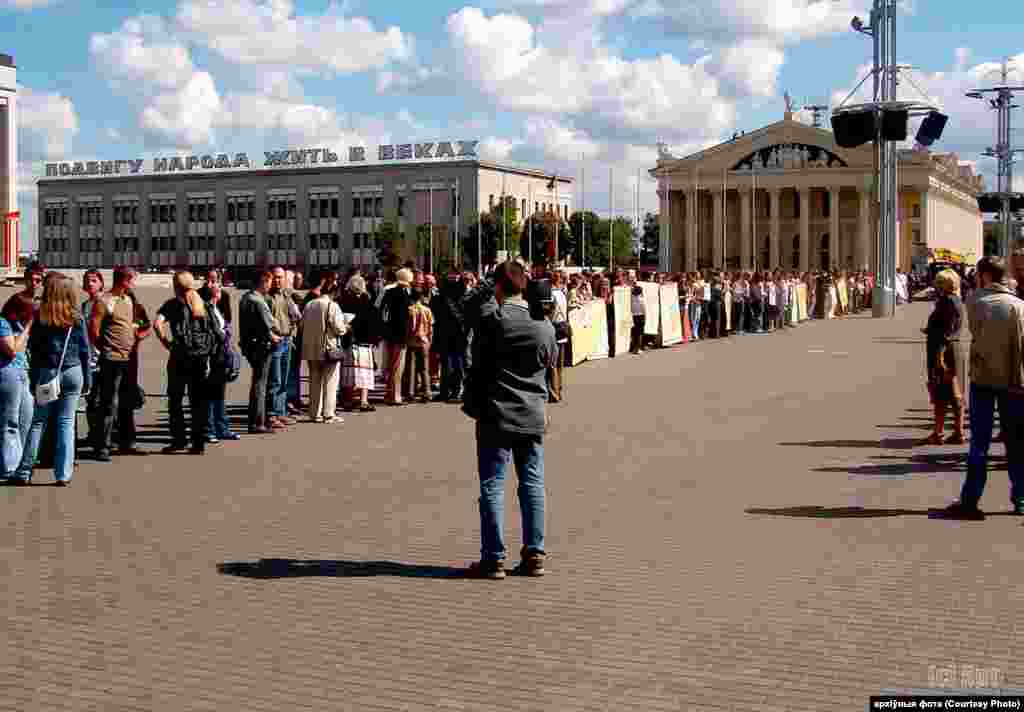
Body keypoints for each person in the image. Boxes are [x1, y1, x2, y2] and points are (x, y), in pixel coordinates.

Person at [463, 260, 557, 580]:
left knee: (493, 485)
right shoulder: (545, 326)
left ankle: (493, 558)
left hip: (496, 415)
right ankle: (535, 553)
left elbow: (470, 305)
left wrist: (488, 287)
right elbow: (551, 363)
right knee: (532, 484)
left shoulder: (495, 319)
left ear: (499, 285)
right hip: (532, 415)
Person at [932, 257, 1024, 520]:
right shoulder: (1019, 305)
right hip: (1015, 381)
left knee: (980, 444)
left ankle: (970, 501)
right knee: (1016, 443)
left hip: (984, 380)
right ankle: (1020, 499)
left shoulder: (977, 301)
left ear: (983, 275)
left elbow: (974, 326)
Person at [10, 274, 91, 486]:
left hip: (47, 372)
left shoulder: (40, 316)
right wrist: (88, 379)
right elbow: (85, 351)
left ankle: (25, 471)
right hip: (73, 372)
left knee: (38, 422)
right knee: (66, 422)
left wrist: (33, 376)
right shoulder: (77, 316)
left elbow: (33, 349)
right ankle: (63, 473)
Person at [153, 271, 221, 455]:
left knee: (175, 400)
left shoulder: (173, 305)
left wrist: (166, 342)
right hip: (200, 357)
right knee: (197, 401)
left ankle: (179, 440)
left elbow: (157, 324)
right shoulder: (203, 304)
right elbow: (218, 331)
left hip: (179, 356)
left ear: (176, 286)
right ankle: (198, 442)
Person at [88, 267, 147, 461]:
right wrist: (105, 349)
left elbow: (134, 326)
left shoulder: (128, 300)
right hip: (111, 360)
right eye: (132, 280)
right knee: (108, 403)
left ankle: (126, 441)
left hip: (128, 359)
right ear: (124, 280)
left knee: (126, 401)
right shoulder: (104, 301)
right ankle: (102, 446)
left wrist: (135, 336)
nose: (134, 284)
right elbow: (94, 330)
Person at [921, 269, 966, 446]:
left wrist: (939, 357)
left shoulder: (946, 301)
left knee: (940, 392)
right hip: (954, 349)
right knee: (955, 394)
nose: (935, 285)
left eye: (939, 282)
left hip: (943, 350)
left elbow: (946, 330)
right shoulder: (957, 300)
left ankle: (938, 433)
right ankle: (958, 431)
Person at [301, 271, 347, 423]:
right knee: (330, 381)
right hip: (328, 348)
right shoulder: (332, 306)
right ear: (333, 292)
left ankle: (314, 413)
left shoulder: (309, 304)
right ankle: (328, 413)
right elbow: (339, 329)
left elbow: (302, 326)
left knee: (314, 381)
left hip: (311, 348)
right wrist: (346, 325)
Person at [239, 269, 281, 434]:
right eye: (269, 282)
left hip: (250, 345)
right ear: (263, 282)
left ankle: (255, 420)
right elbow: (271, 324)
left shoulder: (245, 298)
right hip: (262, 346)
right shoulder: (258, 301)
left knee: (257, 382)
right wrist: (275, 335)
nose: (270, 286)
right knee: (260, 385)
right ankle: (258, 422)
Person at [0, 296, 33, 480]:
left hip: (23, 371)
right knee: (10, 421)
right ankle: (8, 468)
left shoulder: (17, 324)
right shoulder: (3, 323)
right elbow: (12, 350)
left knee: (25, 419)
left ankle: (21, 462)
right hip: (8, 373)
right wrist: (27, 327)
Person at [204, 281, 241, 443]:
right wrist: (224, 334)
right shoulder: (206, 309)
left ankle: (222, 428)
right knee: (210, 395)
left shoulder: (216, 309)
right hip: (212, 357)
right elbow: (216, 333)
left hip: (221, 357)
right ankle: (210, 429)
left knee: (219, 395)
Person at [339, 274, 377, 413]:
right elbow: (374, 322)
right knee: (364, 373)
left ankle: (348, 400)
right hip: (364, 342)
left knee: (349, 372)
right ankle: (363, 400)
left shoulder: (344, 301)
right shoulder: (368, 302)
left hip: (349, 342)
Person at [266, 266, 299, 426]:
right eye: (276, 277)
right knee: (275, 380)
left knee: (284, 379)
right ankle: (272, 414)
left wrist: (292, 331)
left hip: (287, 340)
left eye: (281, 277)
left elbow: (295, 315)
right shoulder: (267, 297)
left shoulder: (285, 295)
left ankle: (281, 412)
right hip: (275, 341)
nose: (278, 281)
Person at [381, 268, 413, 406]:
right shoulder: (404, 295)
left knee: (390, 365)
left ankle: (388, 393)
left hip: (388, 332)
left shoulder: (388, 292)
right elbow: (405, 318)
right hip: (400, 335)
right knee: (397, 366)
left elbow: (382, 310)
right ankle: (395, 395)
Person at [405, 288, 434, 404]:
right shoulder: (427, 310)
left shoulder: (409, 310)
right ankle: (426, 392)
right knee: (424, 368)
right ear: (420, 297)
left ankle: (411, 392)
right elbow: (431, 327)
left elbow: (407, 327)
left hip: (412, 340)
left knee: (411, 368)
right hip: (424, 340)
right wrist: (430, 340)